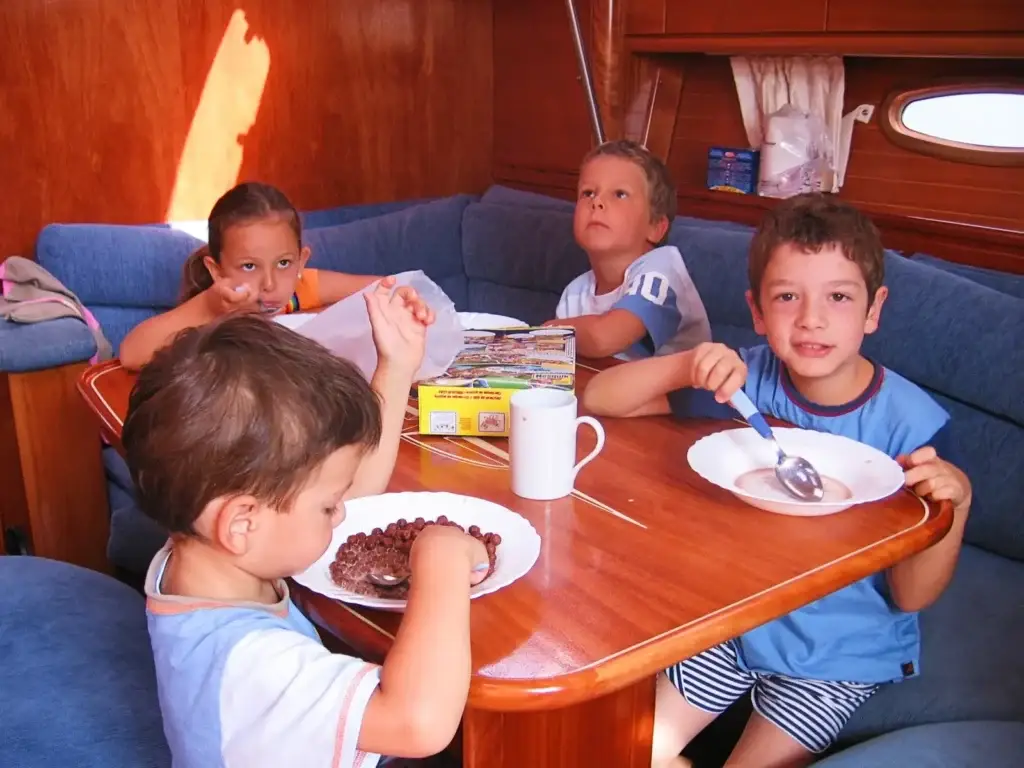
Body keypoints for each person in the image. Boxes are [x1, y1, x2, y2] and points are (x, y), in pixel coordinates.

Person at [583, 193, 972, 767]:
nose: (811, 318)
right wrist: (686, 364)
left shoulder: (914, 428)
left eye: (838, 297)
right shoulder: (745, 382)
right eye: (788, 296)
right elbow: (599, 398)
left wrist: (956, 503)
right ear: (759, 311)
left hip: (838, 652)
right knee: (624, 752)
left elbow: (911, 595)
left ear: (873, 309)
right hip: (731, 622)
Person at [122, 281, 487, 768]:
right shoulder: (248, 665)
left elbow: (339, 487)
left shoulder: (202, 547)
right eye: (327, 507)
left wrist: (397, 368)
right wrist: (440, 555)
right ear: (241, 524)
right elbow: (417, 722)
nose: (342, 511)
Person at [119, 181, 419, 369]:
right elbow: (131, 353)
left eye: (284, 263)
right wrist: (209, 306)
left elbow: (381, 289)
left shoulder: (301, 288)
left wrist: (403, 296)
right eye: (249, 266)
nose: (271, 284)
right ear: (216, 270)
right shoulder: (215, 307)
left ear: (302, 261)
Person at [545, 139, 710, 360]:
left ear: (655, 227)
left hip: (670, 394)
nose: (597, 202)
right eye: (588, 193)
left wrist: (547, 331)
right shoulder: (573, 294)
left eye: (620, 194)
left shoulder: (662, 272)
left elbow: (604, 338)